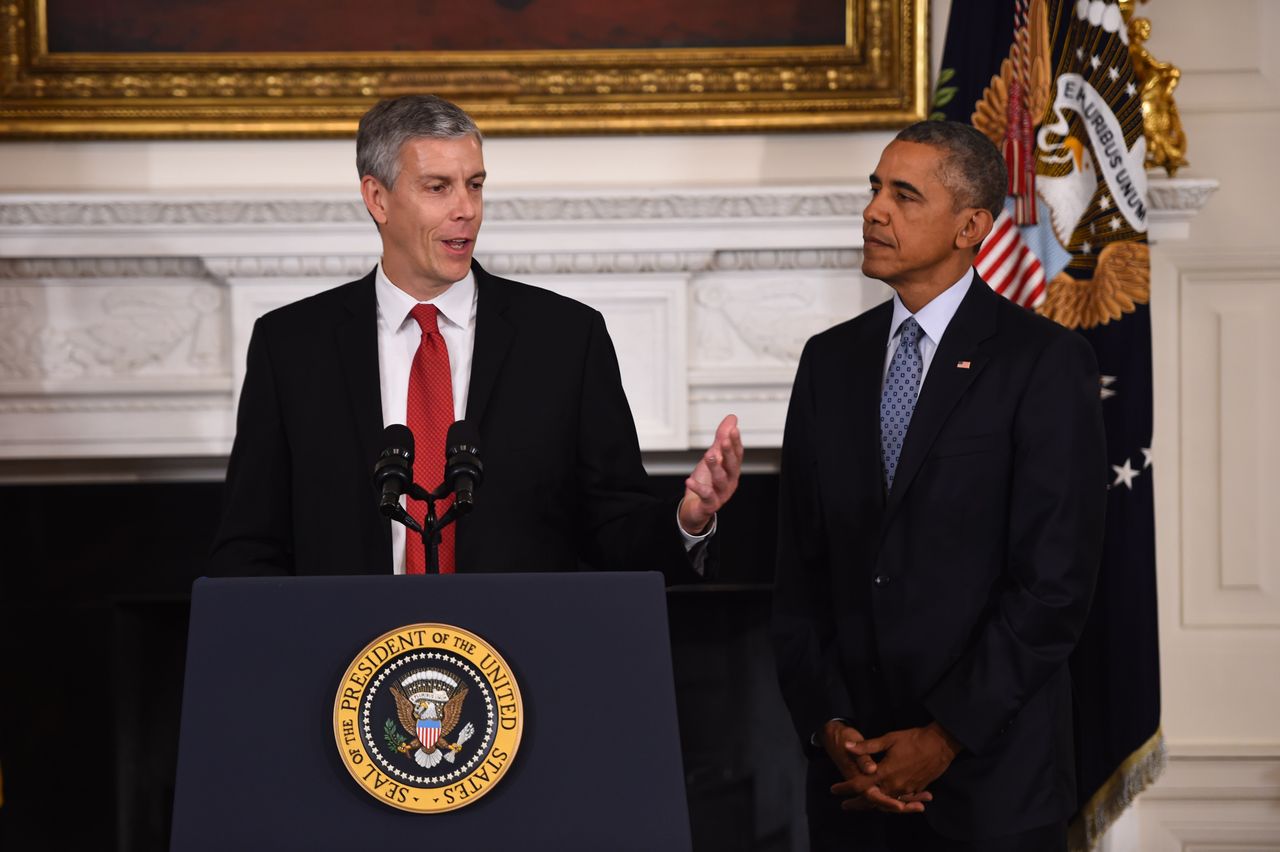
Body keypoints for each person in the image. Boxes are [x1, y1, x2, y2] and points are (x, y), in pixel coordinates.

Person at [210, 94, 742, 580]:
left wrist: (687, 519)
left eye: (475, 184)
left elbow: (614, 529)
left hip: (517, 668)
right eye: (438, 187)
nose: (466, 208)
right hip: (346, 668)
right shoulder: (292, 346)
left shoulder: (564, 340)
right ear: (377, 198)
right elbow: (250, 545)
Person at [771, 121, 1106, 850]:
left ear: (970, 227)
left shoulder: (1044, 362)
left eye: (903, 194)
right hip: (851, 786)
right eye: (874, 189)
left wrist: (944, 737)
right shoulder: (829, 363)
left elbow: (1053, 587)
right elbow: (800, 577)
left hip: (991, 786)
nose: (873, 211)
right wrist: (832, 728)